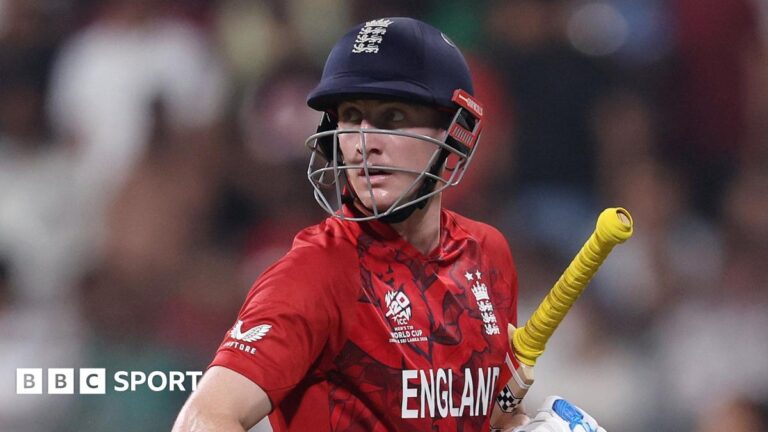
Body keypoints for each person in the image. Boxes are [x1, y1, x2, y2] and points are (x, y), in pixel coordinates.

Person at [173, 17, 606, 432]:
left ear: (456, 132)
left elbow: (493, 416)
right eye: (350, 115)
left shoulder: (487, 253)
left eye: (392, 117)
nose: (364, 143)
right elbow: (202, 420)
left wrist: (521, 426)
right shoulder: (315, 275)